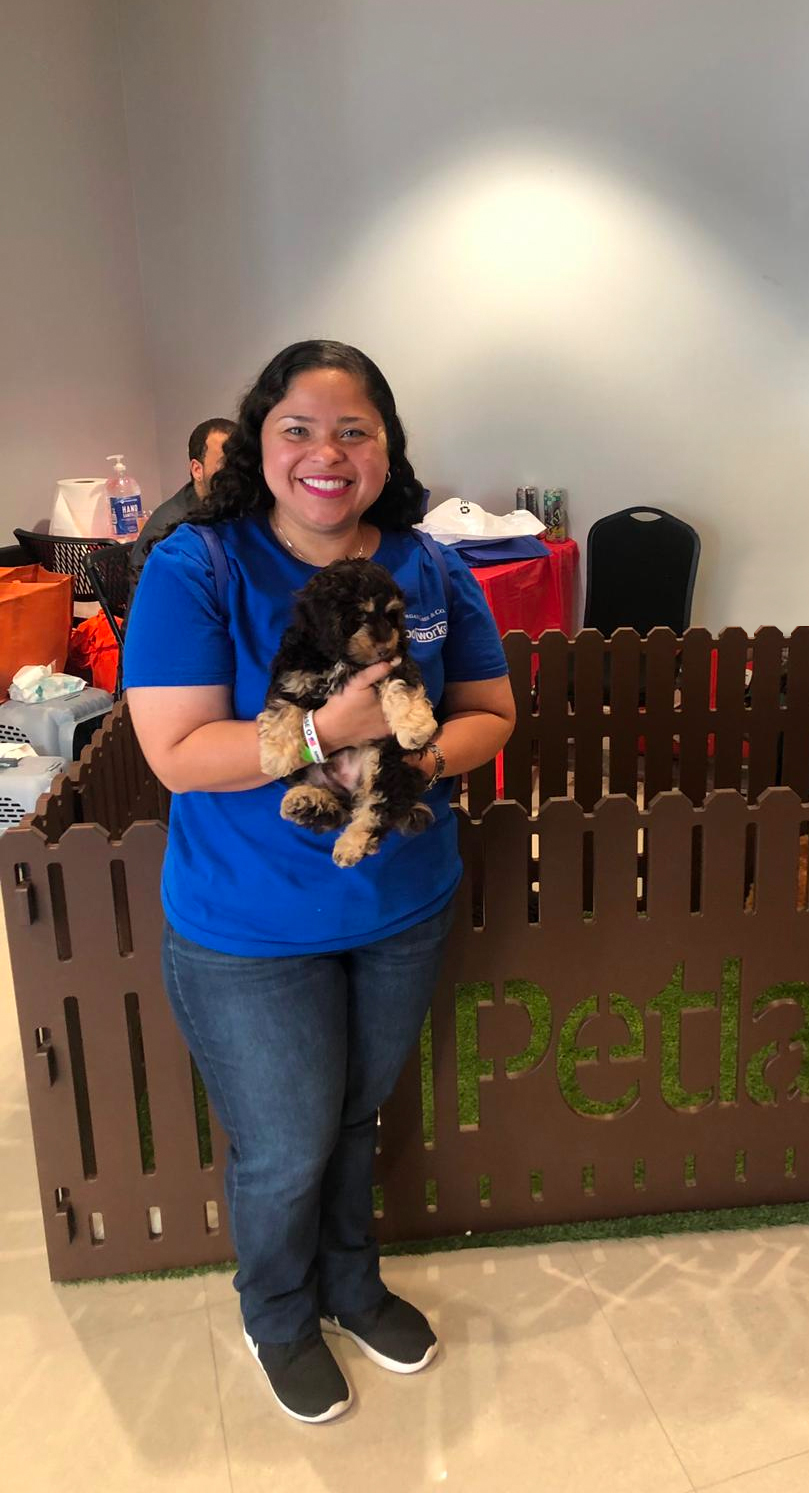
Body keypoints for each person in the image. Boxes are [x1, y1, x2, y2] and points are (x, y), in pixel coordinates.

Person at [122, 342, 515, 1425]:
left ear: (387, 448)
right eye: (298, 428)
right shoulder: (198, 566)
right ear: (260, 441)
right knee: (289, 1138)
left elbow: (491, 710)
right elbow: (176, 751)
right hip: (247, 924)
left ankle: (352, 1282)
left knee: (353, 1115)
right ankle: (280, 1308)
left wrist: (413, 761)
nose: (326, 454)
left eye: (355, 430)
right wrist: (323, 735)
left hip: (400, 902)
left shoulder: (433, 568)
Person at [127, 417, 233, 588]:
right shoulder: (169, 533)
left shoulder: (232, 509)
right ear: (197, 470)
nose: (236, 473)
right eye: (225, 464)